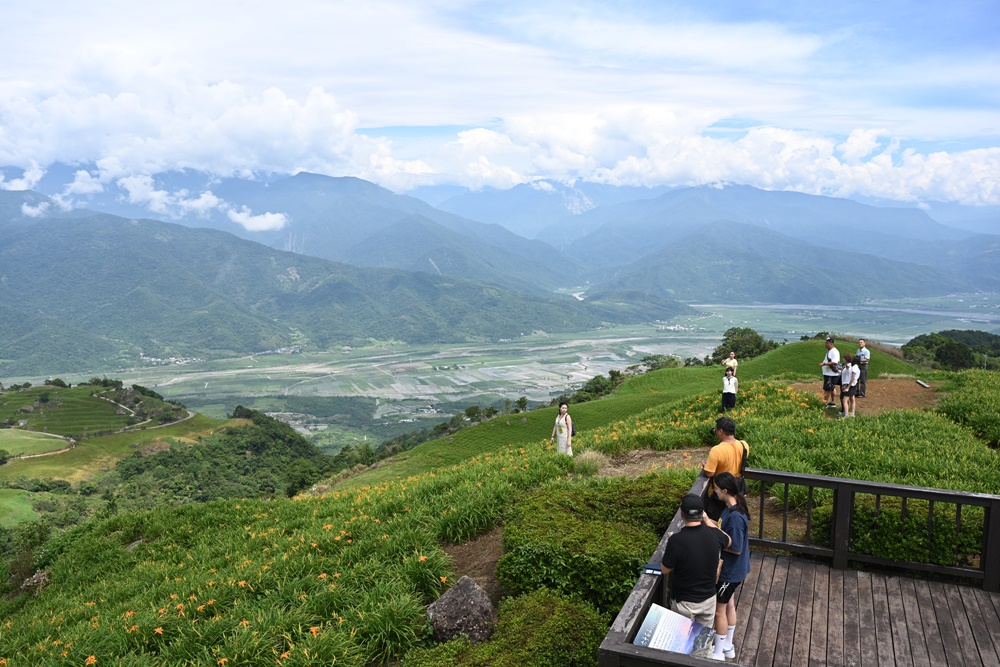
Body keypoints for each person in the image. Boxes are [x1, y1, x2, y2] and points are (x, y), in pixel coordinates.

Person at [661, 494, 731, 629]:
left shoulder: (676, 540)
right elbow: (728, 541)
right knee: (701, 644)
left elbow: (665, 569)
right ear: (702, 513)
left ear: (682, 514)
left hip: (685, 602)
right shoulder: (714, 534)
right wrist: (707, 520)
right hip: (708, 599)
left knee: (680, 643)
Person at [710, 472, 751, 662]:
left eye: (716, 488)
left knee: (719, 610)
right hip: (736, 570)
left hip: (730, 571)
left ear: (725, 490)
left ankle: (718, 653)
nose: (714, 491)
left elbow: (735, 548)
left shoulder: (735, 518)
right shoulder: (731, 508)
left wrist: (715, 534)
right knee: (729, 605)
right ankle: (728, 645)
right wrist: (708, 523)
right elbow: (722, 531)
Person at [703, 417, 749, 519]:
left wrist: (706, 465)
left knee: (718, 521)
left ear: (720, 431)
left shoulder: (716, 450)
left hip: (721, 492)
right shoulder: (744, 445)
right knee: (733, 517)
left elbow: (709, 473)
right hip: (737, 489)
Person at [819, 337, 841, 408]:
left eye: (827, 343)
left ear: (831, 344)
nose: (825, 345)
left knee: (827, 388)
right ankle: (832, 402)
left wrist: (824, 364)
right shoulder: (830, 351)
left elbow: (835, 361)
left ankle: (825, 402)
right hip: (829, 373)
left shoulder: (834, 351)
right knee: (831, 387)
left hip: (831, 374)